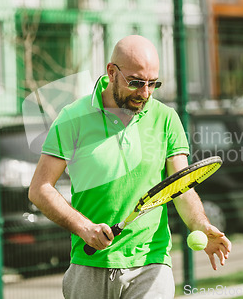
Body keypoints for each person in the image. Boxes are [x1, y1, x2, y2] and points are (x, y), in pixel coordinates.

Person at [28, 35, 231, 298]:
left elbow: (181, 187)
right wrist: (84, 228)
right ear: (111, 72)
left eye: (152, 84)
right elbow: (40, 189)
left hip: (150, 263)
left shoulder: (166, 119)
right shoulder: (72, 119)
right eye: (135, 83)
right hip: (89, 264)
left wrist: (201, 225)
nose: (144, 93)